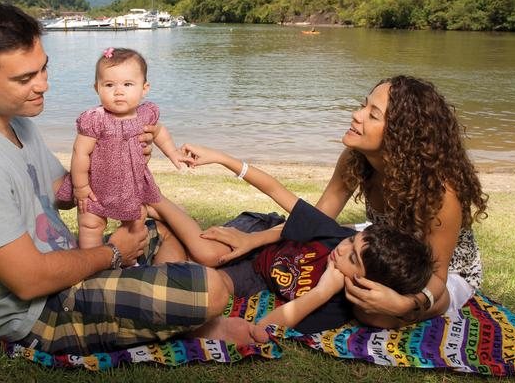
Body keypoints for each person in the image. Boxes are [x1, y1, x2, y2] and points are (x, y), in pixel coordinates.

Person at [0, 0, 262, 356]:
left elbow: (63, 193)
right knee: (213, 290)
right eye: (25, 78)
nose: (43, 86)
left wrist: (118, 161)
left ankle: (166, 310)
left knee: (165, 227)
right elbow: (28, 280)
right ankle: (186, 318)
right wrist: (113, 252)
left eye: (43, 69)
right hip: (36, 312)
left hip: (69, 264)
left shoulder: (14, 120)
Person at [189, 76, 488, 328]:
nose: (357, 115)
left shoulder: (439, 194)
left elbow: (436, 276)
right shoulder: (356, 160)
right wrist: (254, 240)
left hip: (442, 272)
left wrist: (403, 303)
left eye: (373, 114)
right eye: (363, 105)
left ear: (403, 135)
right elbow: (317, 220)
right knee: (315, 249)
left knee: (375, 313)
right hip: (377, 244)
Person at [150, 145, 433, 335]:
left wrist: (321, 292)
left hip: (257, 275)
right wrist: (223, 159)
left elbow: (266, 326)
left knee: (200, 285)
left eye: (353, 258)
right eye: (353, 241)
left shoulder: (333, 306)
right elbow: (276, 190)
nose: (342, 249)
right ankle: (154, 197)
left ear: (366, 282)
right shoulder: (335, 236)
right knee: (206, 254)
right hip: (262, 234)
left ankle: (167, 232)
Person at [56, 47, 184, 250]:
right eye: (109, 85)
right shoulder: (96, 119)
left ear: (144, 88)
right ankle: (91, 261)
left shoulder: (145, 115)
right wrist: (80, 187)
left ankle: (130, 257)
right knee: (90, 223)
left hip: (131, 184)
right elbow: (81, 152)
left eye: (127, 84)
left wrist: (173, 152)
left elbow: (159, 132)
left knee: (137, 219)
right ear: (97, 88)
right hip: (96, 185)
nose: (118, 91)